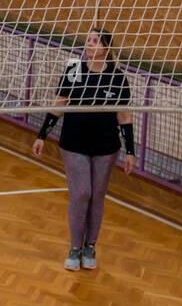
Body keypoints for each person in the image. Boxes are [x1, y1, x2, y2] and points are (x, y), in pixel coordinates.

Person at [32, 28, 135, 271]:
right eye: (88, 40)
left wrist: (130, 150)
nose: (89, 44)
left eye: (95, 41)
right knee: (82, 193)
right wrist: (42, 135)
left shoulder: (117, 78)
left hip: (106, 146)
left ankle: (90, 246)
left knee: (97, 195)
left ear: (106, 49)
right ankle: (75, 247)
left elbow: (124, 116)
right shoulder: (74, 70)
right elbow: (59, 104)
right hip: (74, 142)